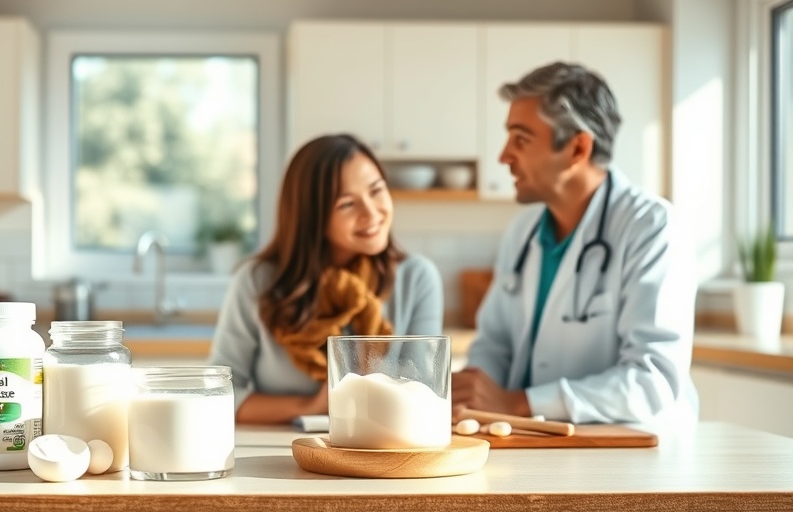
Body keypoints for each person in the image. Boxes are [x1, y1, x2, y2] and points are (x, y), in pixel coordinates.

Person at [452, 62, 698, 426]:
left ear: (577, 148)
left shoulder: (651, 227)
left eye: (520, 139)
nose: (504, 156)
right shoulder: (523, 233)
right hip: (538, 438)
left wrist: (518, 402)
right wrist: (475, 389)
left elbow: (653, 379)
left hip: (634, 451)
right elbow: (495, 344)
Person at [208, 134, 444, 425]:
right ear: (312, 217)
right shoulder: (257, 282)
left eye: (376, 191)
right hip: (278, 452)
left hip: (380, 448)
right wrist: (311, 404)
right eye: (347, 204)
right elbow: (217, 395)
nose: (371, 213)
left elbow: (424, 394)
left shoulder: (416, 278)